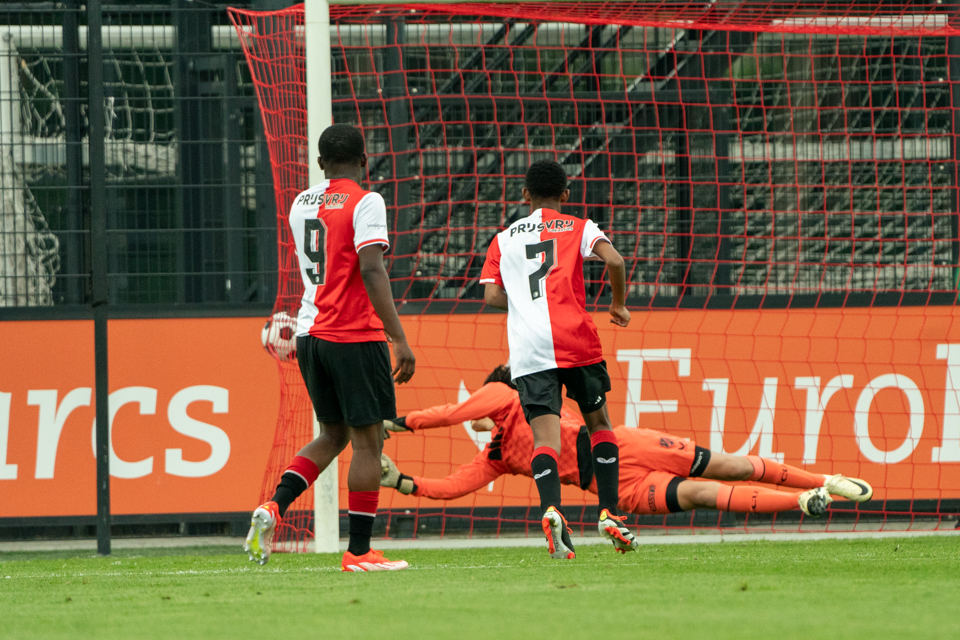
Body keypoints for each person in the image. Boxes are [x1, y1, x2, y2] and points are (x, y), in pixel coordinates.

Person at [380, 366, 872, 529]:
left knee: (729, 463)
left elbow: (454, 414)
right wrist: (401, 477)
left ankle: (823, 480)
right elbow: (452, 484)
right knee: (700, 495)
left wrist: (402, 424)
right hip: (615, 485)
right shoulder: (500, 433)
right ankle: (805, 501)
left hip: (624, 445)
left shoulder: (512, 400)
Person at [245, 124, 416, 572]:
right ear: (364, 160)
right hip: (352, 332)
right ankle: (359, 552)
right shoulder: (367, 200)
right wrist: (398, 337)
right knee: (367, 442)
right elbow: (372, 269)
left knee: (332, 434)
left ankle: (274, 507)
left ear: (319, 163)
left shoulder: (301, 203)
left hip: (309, 335)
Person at [480, 160, 634, 559]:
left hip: (530, 350)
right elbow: (615, 261)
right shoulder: (580, 226)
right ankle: (610, 513)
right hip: (576, 341)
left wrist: (527, 307)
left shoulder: (503, 238)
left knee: (545, 438)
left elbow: (492, 297)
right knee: (598, 423)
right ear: (565, 195)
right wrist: (618, 305)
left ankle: (551, 509)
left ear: (524, 196)